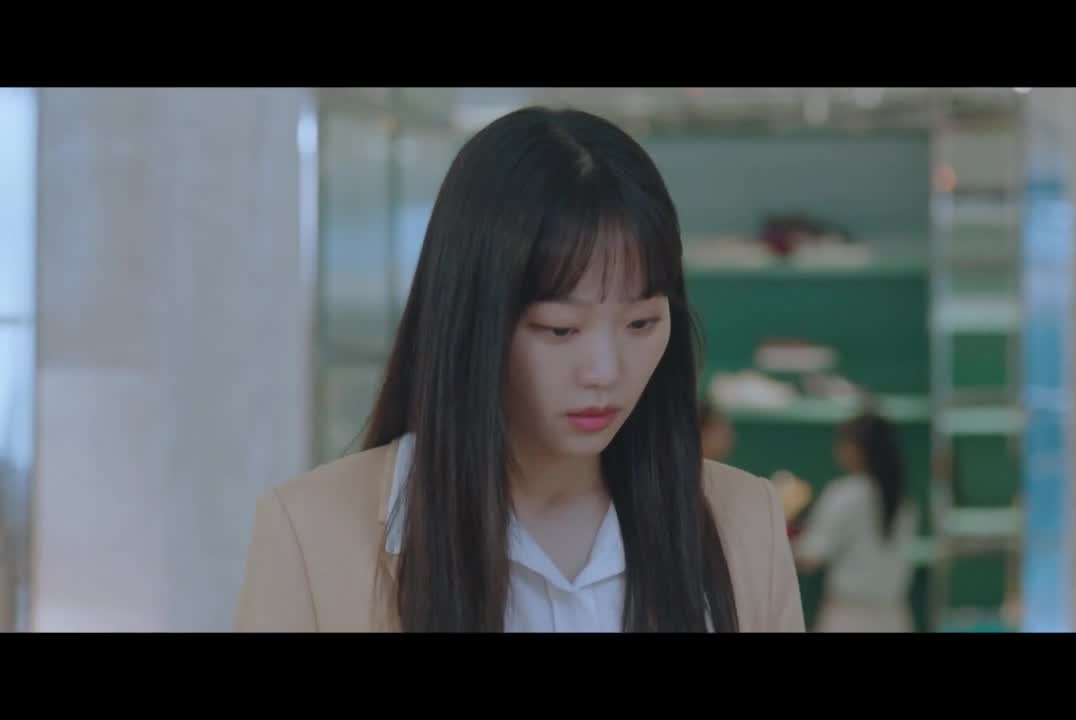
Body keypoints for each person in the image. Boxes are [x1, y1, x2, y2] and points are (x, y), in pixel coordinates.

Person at [234, 107, 805, 633]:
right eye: (560, 329)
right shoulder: (312, 533)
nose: (605, 371)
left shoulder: (742, 521)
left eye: (641, 323)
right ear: (472, 322)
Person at [792, 411, 915, 632]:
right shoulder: (904, 502)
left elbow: (811, 557)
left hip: (848, 617)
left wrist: (784, 539)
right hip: (894, 616)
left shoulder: (846, 494)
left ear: (857, 449)